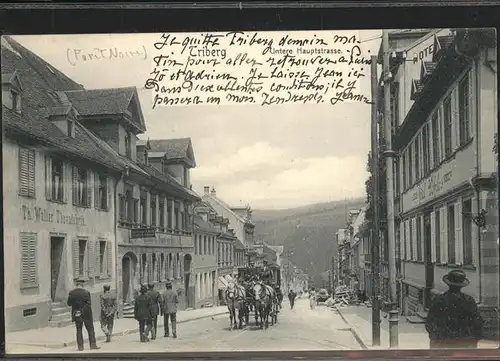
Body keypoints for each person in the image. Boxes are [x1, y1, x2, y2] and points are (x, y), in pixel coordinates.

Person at [425, 270, 484, 349]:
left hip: (443, 342)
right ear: (462, 285)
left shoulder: (439, 300)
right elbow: (477, 321)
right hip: (465, 342)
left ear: (448, 284)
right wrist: (473, 339)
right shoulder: (469, 300)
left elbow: (430, 321)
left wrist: (435, 338)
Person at [67, 278, 100, 351]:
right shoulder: (86, 292)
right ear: (82, 285)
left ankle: (80, 347)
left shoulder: (72, 293)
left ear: (76, 284)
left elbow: (69, 304)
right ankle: (93, 345)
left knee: (79, 330)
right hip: (86, 314)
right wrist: (82, 311)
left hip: (76, 314)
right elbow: (88, 304)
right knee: (90, 329)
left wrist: (77, 309)